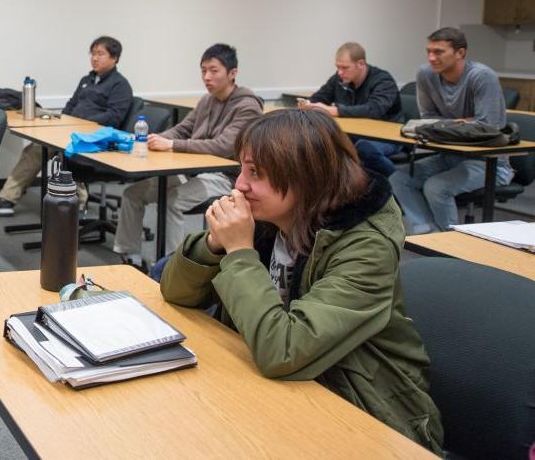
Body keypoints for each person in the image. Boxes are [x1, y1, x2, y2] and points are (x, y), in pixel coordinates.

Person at [159, 109, 444, 455]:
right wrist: (214, 244)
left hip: (366, 412)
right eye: (242, 168)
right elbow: (175, 292)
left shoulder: (366, 247)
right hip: (281, 386)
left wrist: (238, 253)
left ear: (306, 177)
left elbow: (284, 351)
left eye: (256, 173)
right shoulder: (270, 216)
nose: (239, 185)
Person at [112, 43, 262, 269]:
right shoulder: (207, 100)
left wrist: (171, 144)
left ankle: (173, 266)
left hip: (224, 177)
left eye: (213, 70)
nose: (207, 77)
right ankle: (129, 256)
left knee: (172, 201)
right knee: (133, 194)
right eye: (203, 70)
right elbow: (182, 129)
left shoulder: (248, 106)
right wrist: (155, 139)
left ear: (232, 73)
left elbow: (223, 146)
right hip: (193, 171)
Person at [0, 36, 133, 216]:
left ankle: (77, 203)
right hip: (71, 130)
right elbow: (71, 104)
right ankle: (6, 197)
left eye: (100, 54)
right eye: (92, 53)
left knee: (64, 153)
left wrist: (81, 123)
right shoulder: (87, 80)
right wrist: (64, 120)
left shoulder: (120, 85)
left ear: (114, 58)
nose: (95, 58)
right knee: (35, 149)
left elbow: (114, 117)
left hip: (96, 137)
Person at [388, 27, 513, 234]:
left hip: (489, 163)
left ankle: (451, 241)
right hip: (448, 156)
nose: (431, 57)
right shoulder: (426, 74)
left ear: (460, 53)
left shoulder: (482, 76)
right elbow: (428, 120)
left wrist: (445, 125)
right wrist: (463, 123)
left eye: (438, 52)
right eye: (428, 51)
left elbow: (489, 127)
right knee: (398, 178)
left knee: (436, 187)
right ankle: (428, 233)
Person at [298, 42, 404, 177]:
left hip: (388, 135)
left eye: (345, 67)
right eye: (337, 67)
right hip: (356, 133)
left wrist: (335, 111)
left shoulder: (383, 80)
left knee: (365, 149)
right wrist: (309, 104)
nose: (340, 72)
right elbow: (320, 97)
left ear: (360, 64)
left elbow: (374, 110)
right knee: (320, 141)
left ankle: (397, 181)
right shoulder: (339, 78)